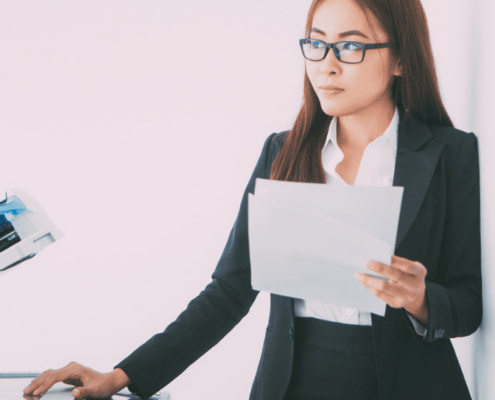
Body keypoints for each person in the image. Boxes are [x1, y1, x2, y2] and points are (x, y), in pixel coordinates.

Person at [23, 0, 482, 399]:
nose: (327, 64)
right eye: (316, 43)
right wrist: (124, 375)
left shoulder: (450, 153)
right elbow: (228, 292)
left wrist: (420, 299)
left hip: (411, 386)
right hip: (292, 383)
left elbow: (468, 304)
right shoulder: (282, 152)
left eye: (351, 46)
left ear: (401, 57)